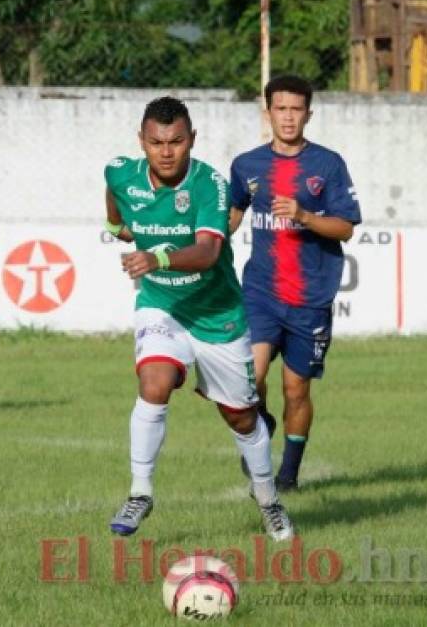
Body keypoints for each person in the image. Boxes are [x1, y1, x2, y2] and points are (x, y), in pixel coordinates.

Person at [104, 96, 293, 541]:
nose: (166, 152)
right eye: (156, 142)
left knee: (242, 418)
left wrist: (157, 258)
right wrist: (119, 230)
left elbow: (209, 253)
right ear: (141, 142)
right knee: (154, 382)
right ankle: (140, 492)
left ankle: (268, 500)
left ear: (192, 140)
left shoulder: (209, 184)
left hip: (217, 315)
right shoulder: (120, 172)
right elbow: (114, 206)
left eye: (176, 141)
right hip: (161, 306)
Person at [228, 75, 361, 491]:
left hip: (310, 296)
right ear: (268, 112)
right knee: (249, 378)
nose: (288, 117)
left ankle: (289, 473)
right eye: (280, 109)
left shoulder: (328, 165)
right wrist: (207, 240)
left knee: (296, 389)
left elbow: (345, 229)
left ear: (308, 113)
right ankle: (259, 428)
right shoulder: (247, 165)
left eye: (296, 109)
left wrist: (304, 216)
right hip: (260, 293)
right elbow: (232, 214)